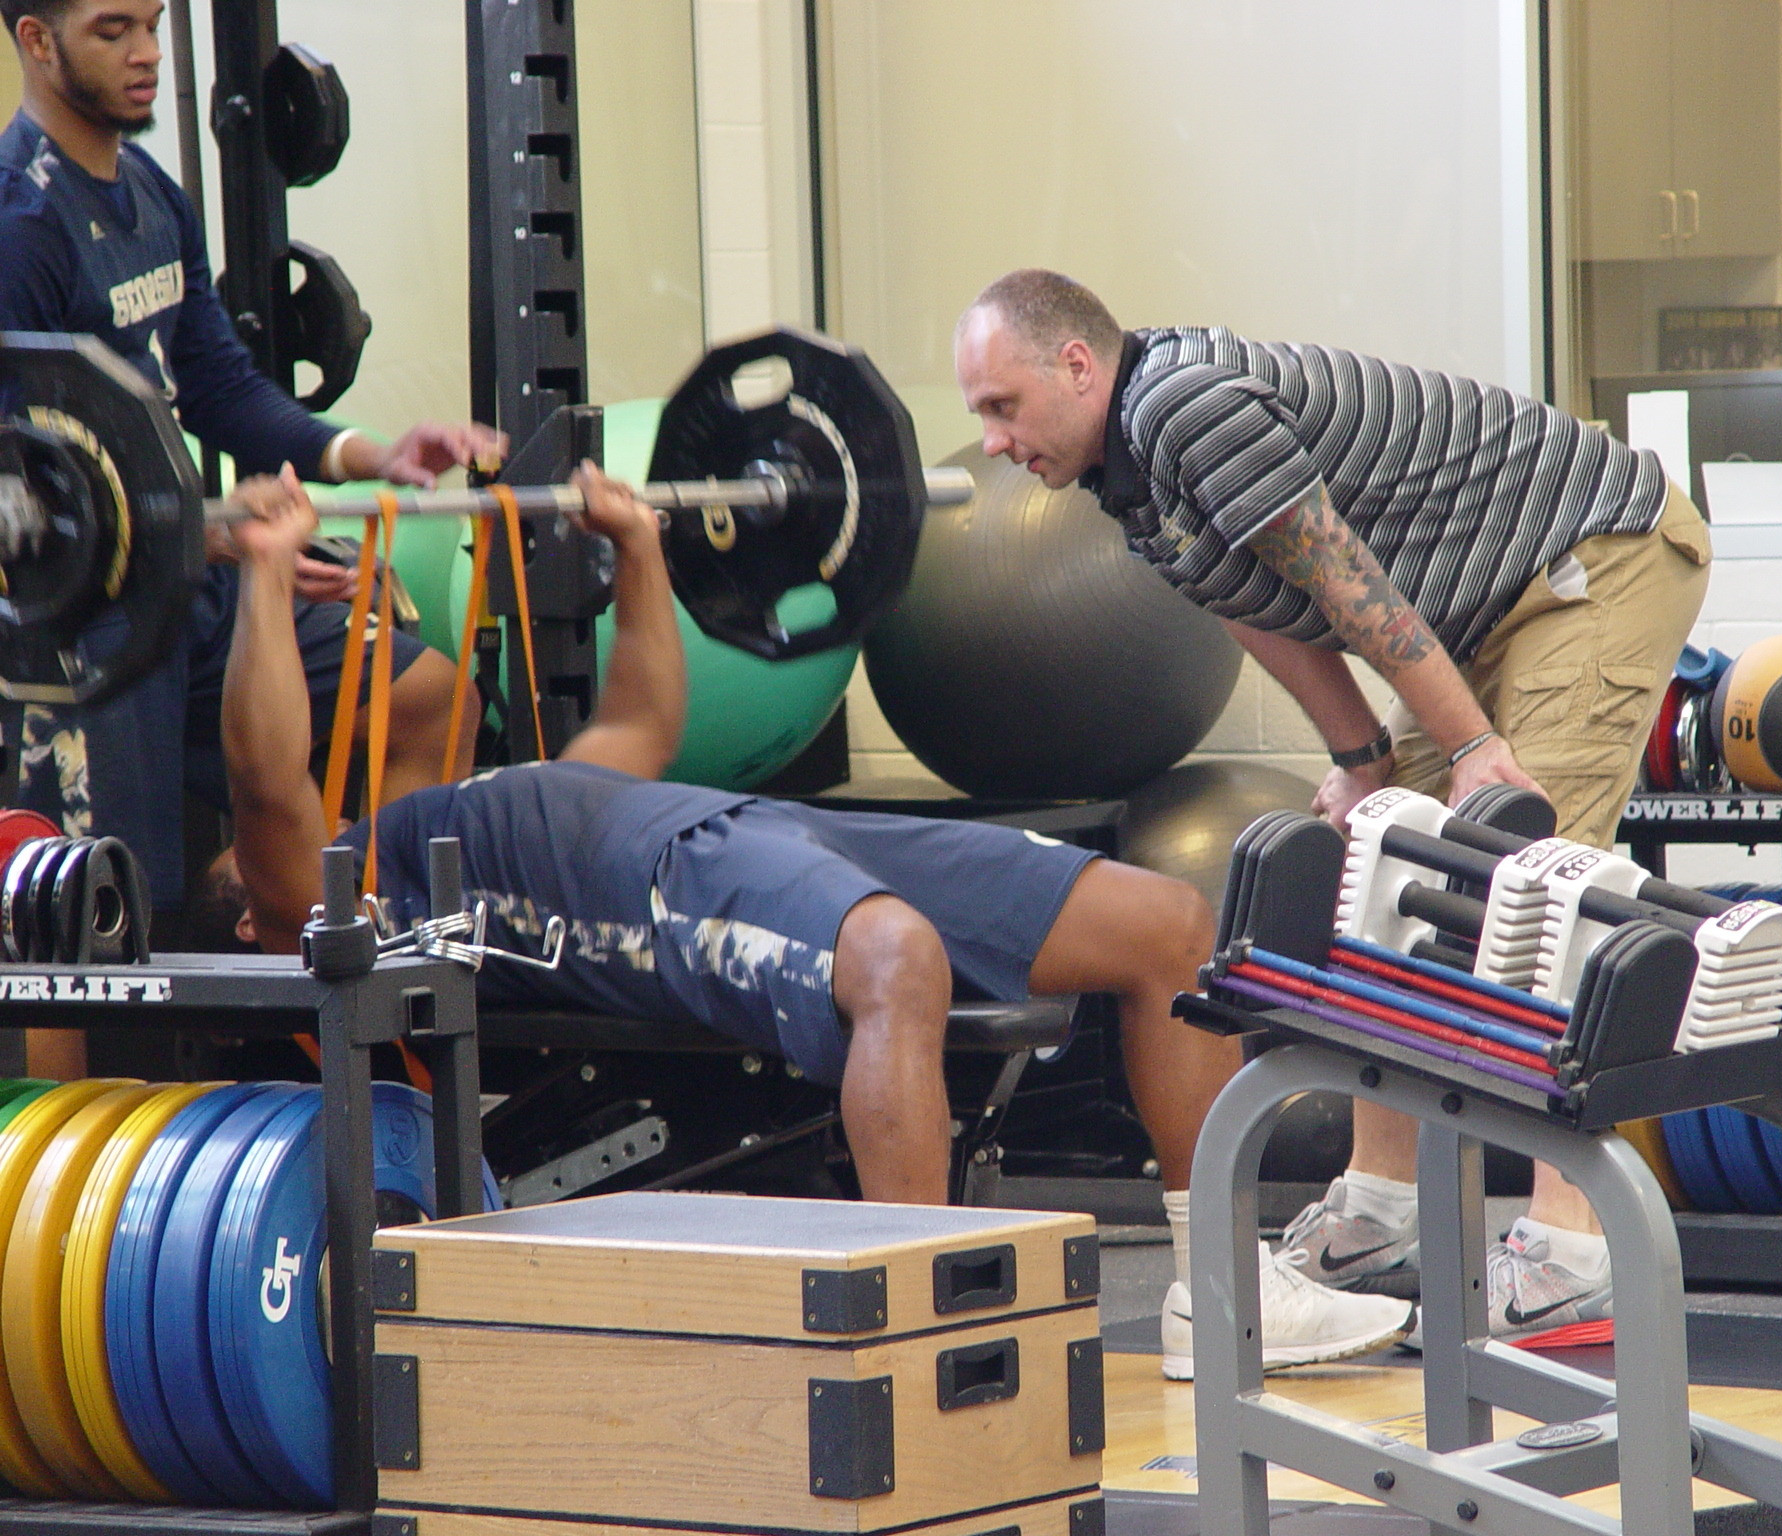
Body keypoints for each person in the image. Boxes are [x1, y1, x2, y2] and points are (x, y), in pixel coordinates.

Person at [208, 462, 1417, 1380]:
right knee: (898, 955)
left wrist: (634, 547)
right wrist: (266, 573)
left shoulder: (468, 808)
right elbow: (267, 782)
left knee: (1164, 920)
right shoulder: (341, 893)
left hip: (738, 825)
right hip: (648, 890)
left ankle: (1217, 1290)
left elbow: (639, 725)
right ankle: (928, 1323)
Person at [954, 269, 1712, 1340]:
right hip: (1477, 602)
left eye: (998, 406)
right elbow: (1262, 606)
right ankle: (1379, 1209)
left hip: (1589, 551)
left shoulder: (1185, 406)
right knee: (1383, 857)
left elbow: (1341, 574)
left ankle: (1573, 1245)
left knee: (1544, 878)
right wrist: (1361, 758)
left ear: (1075, 366)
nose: (989, 441)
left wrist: (1476, 749)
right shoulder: (1121, 473)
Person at [0, 0, 498, 941]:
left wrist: (369, 455)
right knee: (99, 905)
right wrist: (210, 535)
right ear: (36, 40)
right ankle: (93, 1096)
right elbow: (19, 497)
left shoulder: (151, 192)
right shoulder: (21, 228)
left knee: (430, 699)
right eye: (113, 32)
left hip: (183, 581)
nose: (146, 53)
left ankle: (361, 968)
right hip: (80, 627)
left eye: (152, 25)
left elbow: (222, 387)